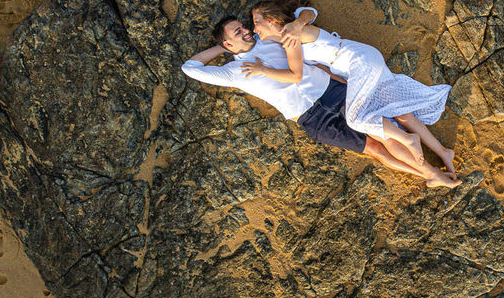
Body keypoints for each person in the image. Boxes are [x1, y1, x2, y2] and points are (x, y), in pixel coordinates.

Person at [181, 17, 461, 188]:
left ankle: (432, 170)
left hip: (332, 92)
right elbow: (190, 68)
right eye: (237, 33)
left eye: (243, 27)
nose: (245, 32)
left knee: (382, 129)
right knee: (374, 148)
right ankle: (430, 173)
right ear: (229, 45)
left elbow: (306, 17)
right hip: (311, 119)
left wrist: (243, 36)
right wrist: (222, 46)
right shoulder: (234, 72)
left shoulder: (271, 39)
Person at [249, 0, 457, 178]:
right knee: (401, 114)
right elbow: (323, 67)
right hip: (358, 65)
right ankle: (443, 152)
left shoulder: (292, 33)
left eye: (257, 22)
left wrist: (263, 66)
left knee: (357, 119)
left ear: (271, 19)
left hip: (358, 63)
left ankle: (408, 139)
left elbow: (309, 16)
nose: (254, 29)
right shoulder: (288, 36)